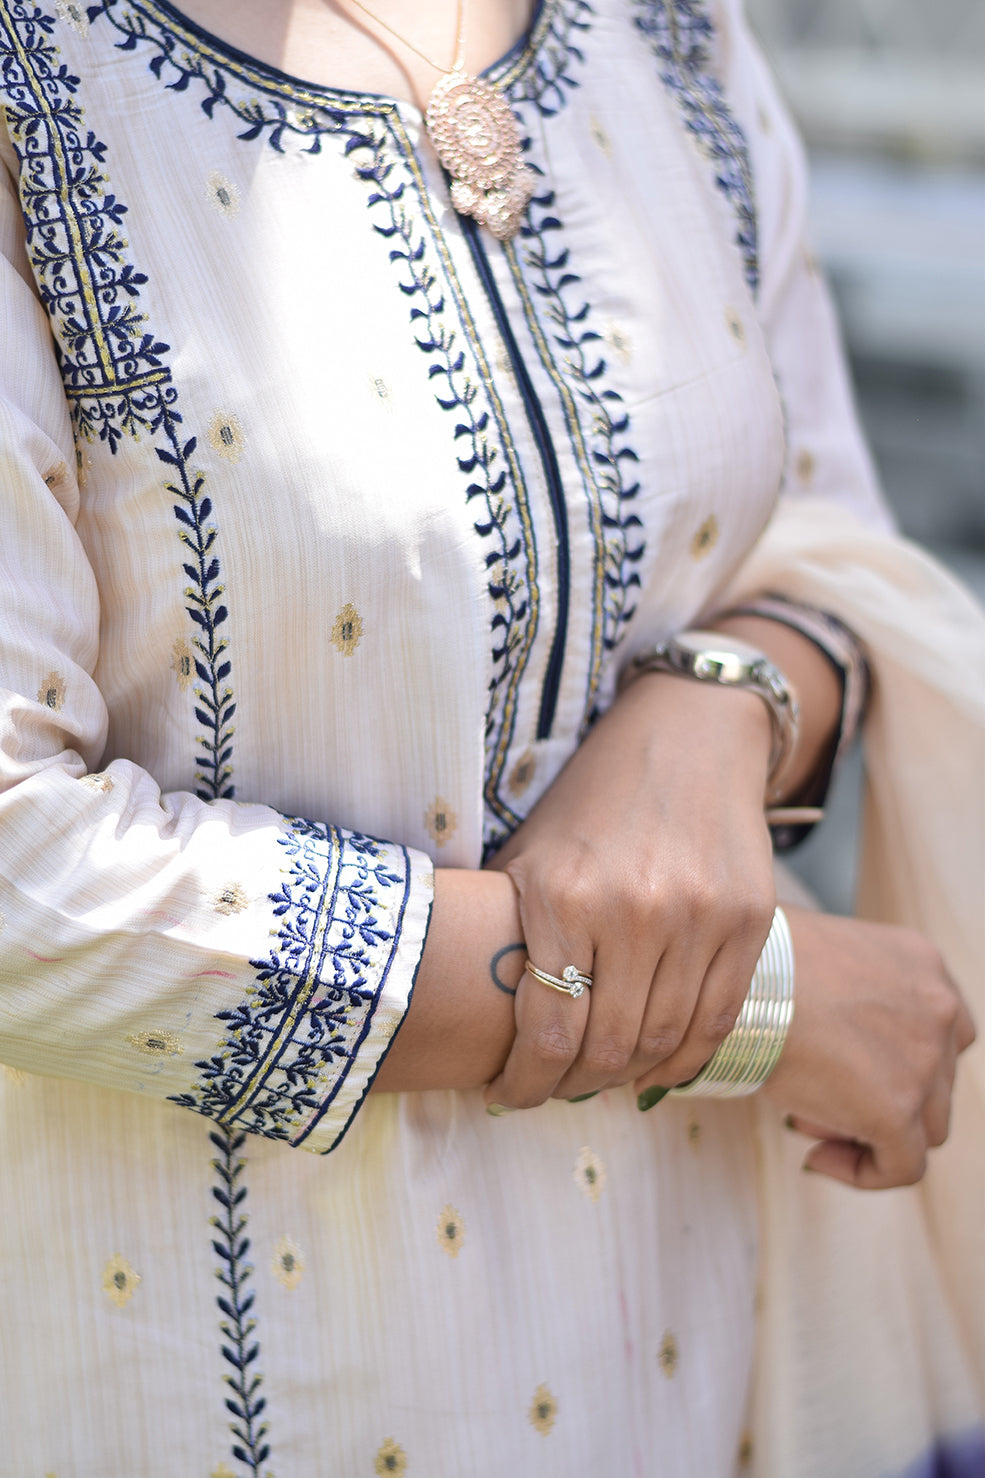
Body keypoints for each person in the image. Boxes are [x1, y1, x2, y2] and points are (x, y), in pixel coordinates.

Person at [0, 0, 981, 1473]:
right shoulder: (38, 81)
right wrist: (741, 1004)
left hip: (690, 1353)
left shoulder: (669, 32)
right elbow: (19, 865)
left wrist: (713, 704)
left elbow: (814, 523)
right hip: (228, 1387)